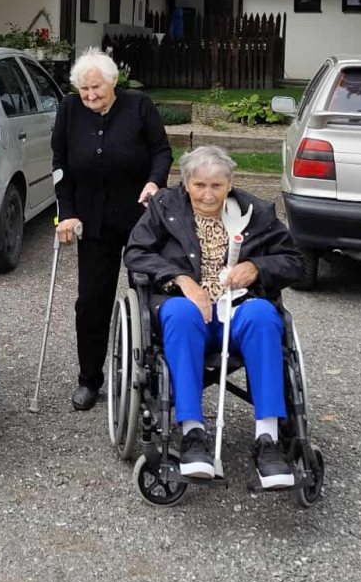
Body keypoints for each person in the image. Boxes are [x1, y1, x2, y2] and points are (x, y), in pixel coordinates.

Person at [123, 145, 302, 490]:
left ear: (230, 184)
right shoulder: (164, 207)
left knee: (263, 315)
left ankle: (267, 439)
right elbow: (136, 252)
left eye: (217, 186)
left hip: (239, 311)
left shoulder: (256, 212)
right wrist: (180, 278)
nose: (208, 194)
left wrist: (257, 267)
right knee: (179, 312)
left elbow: (294, 261)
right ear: (186, 183)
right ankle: (192, 432)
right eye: (200, 185)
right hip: (187, 311)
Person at [52, 48, 172, 412]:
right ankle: (89, 379)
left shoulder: (139, 106)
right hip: (93, 221)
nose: (89, 96)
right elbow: (60, 165)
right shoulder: (69, 110)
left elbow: (162, 152)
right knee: (91, 301)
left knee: (149, 296)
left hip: (140, 219)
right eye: (84, 89)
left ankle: (153, 377)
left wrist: (154, 182)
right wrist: (67, 213)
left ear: (114, 82)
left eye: (96, 88)